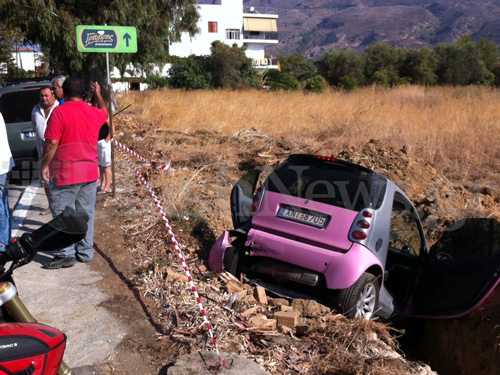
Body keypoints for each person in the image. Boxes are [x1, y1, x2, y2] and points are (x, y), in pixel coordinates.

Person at [41, 78, 108, 269]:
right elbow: (105, 112)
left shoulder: (59, 112)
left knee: (63, 215)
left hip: (64, 173)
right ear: (85, 93)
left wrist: (45, 164)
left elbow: (52, 142)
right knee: (85, 214)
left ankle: (65, 254)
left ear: (64, 92)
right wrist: (99, 95)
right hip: (88, 172)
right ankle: (85, 252)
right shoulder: (93, 113)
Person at [31, 86, 59, 214]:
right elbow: (34, 128)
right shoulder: (35, 110)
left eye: (46, 95)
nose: (44, 98)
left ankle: (61, 207)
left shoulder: (59, 108)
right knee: (46, 181)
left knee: (59, 181)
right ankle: (51, 205)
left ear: (53, 95)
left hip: (58, 152)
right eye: (42, 96)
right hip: (43, 152)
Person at [0, 113, 15, 249]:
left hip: (1, 167)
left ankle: (2, 245)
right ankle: (6, 241)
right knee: (3, 206)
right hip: (4, 164)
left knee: (1, 207)